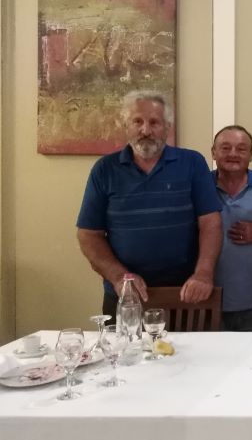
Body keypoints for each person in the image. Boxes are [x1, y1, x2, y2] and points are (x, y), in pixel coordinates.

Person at [76, 90, 222, 317]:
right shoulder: (104, 170)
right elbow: (88, 235)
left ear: (167, 127)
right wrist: (119, 277)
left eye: (154, 122)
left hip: (186, 293)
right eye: (137, 121)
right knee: (122, 343)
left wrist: (204, 273)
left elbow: (210, 223)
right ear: (126, 126)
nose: (145, 130)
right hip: (126, 294)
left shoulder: (192, 163)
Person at [211, 125, 252, 331]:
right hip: (208, 300)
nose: (233, 154)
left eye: (241, 149)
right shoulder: (199, 186)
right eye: (225, 148)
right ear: (213, 152)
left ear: (251, 154)